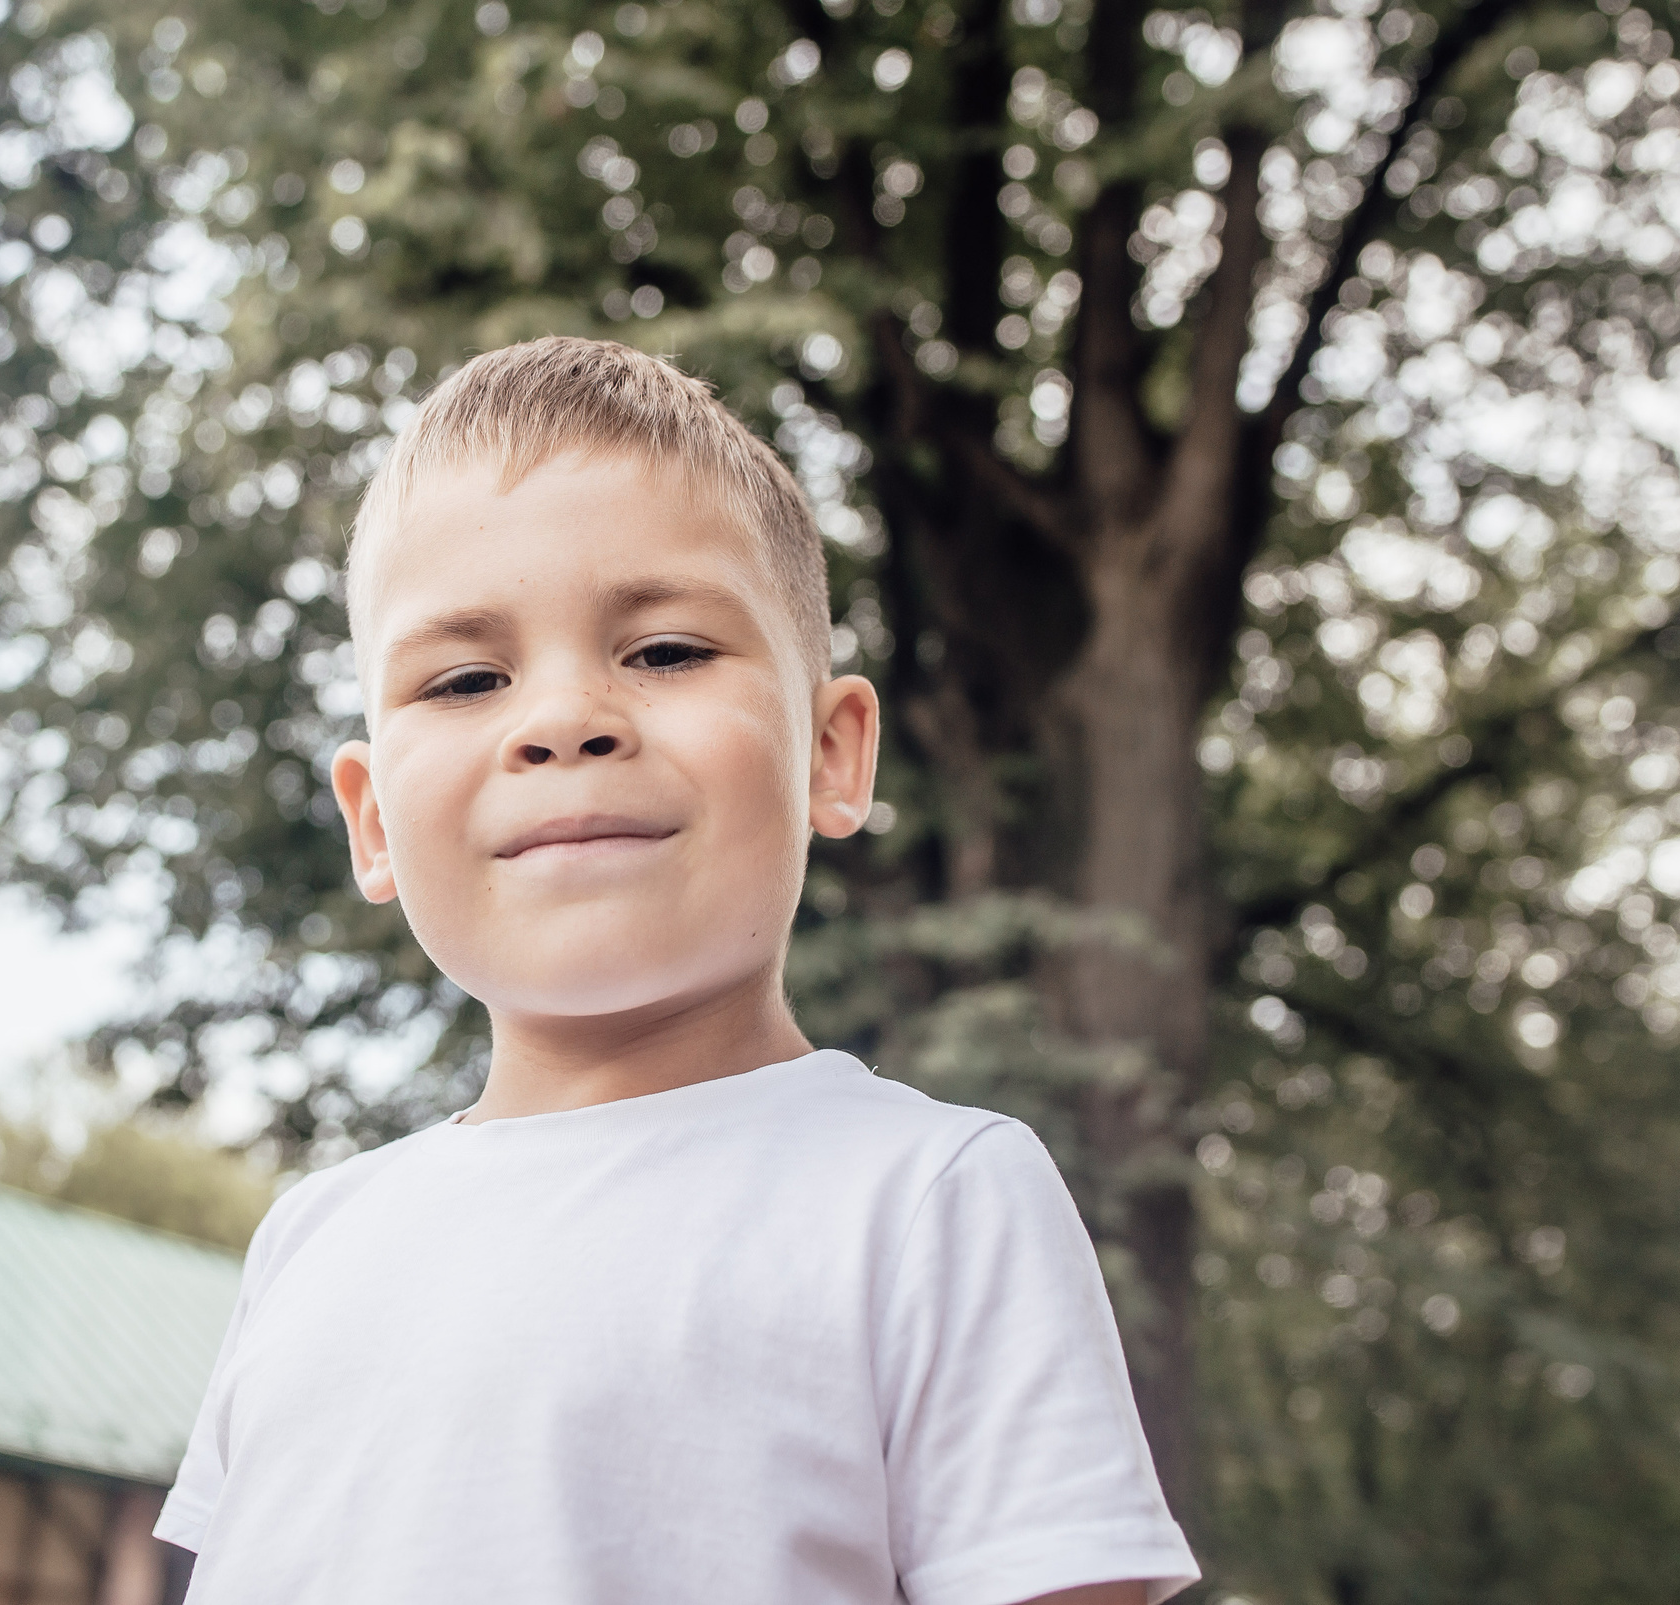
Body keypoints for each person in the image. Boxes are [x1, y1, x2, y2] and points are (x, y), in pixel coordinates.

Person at [152, 337, 1198, 1604]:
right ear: (371, 820)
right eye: (468, 677)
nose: (562, 719)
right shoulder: (308, 1242)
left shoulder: (930, 1200)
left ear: (830, 751)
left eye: (664, 651)